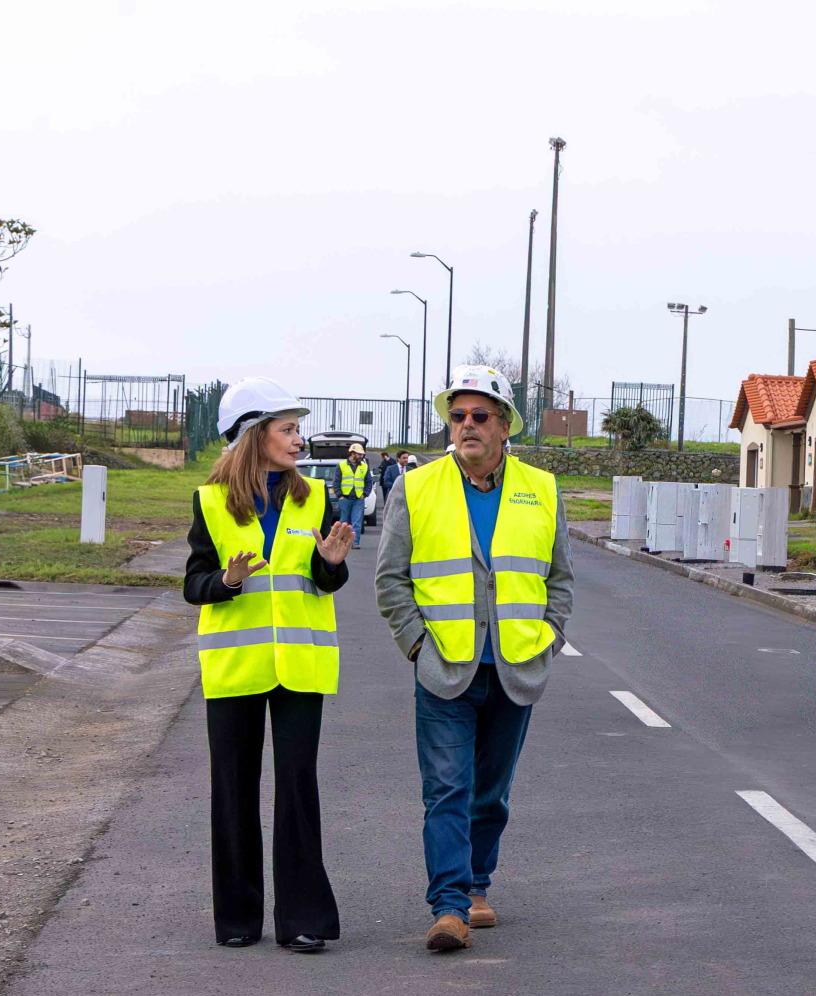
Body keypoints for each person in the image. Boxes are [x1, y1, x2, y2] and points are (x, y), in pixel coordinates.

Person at [375, 365, 573, 953]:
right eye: (457, 416)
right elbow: (391, 582)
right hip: (444, 670)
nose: (466, 426)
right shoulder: (415, 487)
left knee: (491, 793)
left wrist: (549, 635)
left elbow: (559, 579)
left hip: (515, 667)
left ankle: (479, 883)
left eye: (479, 416)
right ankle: (450, 906)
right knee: (445, 789)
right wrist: (416, 645)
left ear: (505, 425)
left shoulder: (541, 488)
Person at [183, 377, 355, 954]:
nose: (298, 439)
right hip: (235, 669)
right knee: (232, 790)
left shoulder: (315, 498)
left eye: (297, 429)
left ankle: (304, 918)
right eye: (287, 429)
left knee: (298, 788)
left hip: (301, 668)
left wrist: (332, 564)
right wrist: (227, 581)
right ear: (255, 436)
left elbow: (321, 579)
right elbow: (194, 585)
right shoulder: (210, 502)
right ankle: (237, 918)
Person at [335, 443, 371, 550]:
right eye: (359, 454)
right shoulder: (341, 465)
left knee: (357, 522)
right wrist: (339, 495)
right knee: (343, 522)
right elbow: (336, 481)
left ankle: (355, 542)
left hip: (358, 499)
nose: (361, 456)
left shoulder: (364, 466)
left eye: (362, 455)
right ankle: (341, 542)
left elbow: (369, 482)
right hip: (345, 498)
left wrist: (364, 494)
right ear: (352, 453)